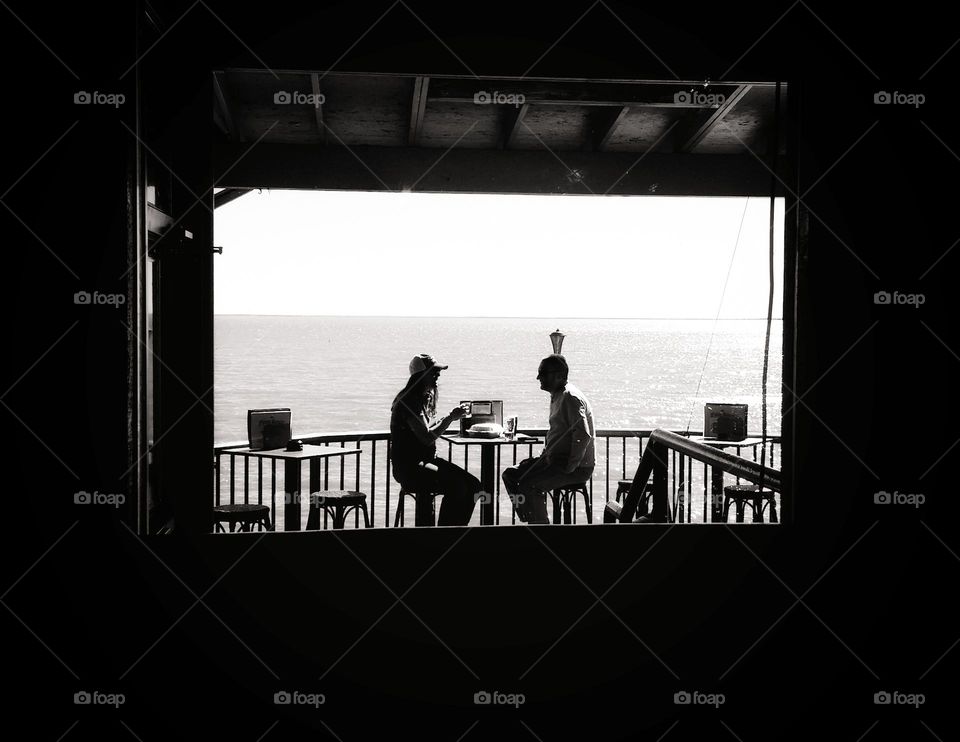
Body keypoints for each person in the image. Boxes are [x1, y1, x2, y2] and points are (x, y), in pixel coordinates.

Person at [390, 353, 483, 526]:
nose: (437, 376)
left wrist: (449, 418)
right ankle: (443, 536)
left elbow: (427, 431)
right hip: (410, 468)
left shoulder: (421, 399)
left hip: (425, 462)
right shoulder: (408, 402)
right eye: (433, 373)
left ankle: (453, 532)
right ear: (420, 376)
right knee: (459, 486)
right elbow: (426, 438)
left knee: (474, 485)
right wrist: (450, 418)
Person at [502, 354, 595, 524]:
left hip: (574, 467)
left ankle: (542, 532)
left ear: (559, 375)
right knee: (511, 475)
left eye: (543, 373)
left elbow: (583, 434)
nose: (538, 377)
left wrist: (571, 465)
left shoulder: (570, 397)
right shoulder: (558, 395)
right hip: (554, 461)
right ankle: (530, 518)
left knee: (529, 485)